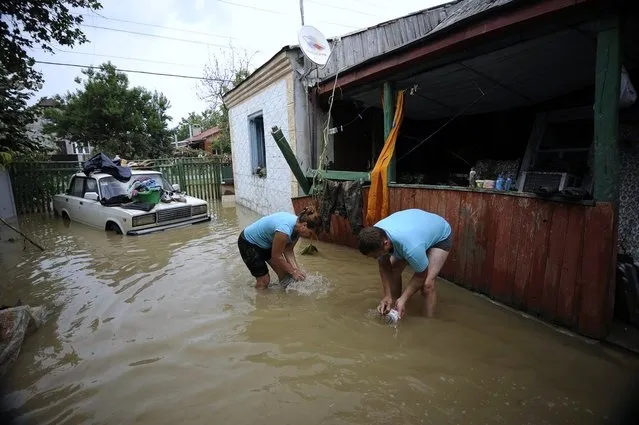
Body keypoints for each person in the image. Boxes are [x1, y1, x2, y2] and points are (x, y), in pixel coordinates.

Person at [358, 208, 452, 318]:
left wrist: (404, 298)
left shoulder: (411, 247)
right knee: (393, 269)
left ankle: (427, 324)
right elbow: (384, 265)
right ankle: (394, 304)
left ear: (386, 244)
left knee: (427, 285)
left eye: (376, 255)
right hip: (417, 231)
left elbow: (421, 275)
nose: (375, 259)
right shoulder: (376, 235)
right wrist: (387, 295)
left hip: (440, 235)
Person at [238, 206, 322, 289]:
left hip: (266, 244)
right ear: (304, 225)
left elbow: (288, 250)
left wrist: (296, 270)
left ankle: (283, 299)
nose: (309, 236)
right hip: (248, 243)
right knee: (264, 281)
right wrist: (293, 271)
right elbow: (276, 256)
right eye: (310, 233)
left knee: (286, 277)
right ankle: (259, 298)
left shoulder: (297, 228)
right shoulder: (284, 230)